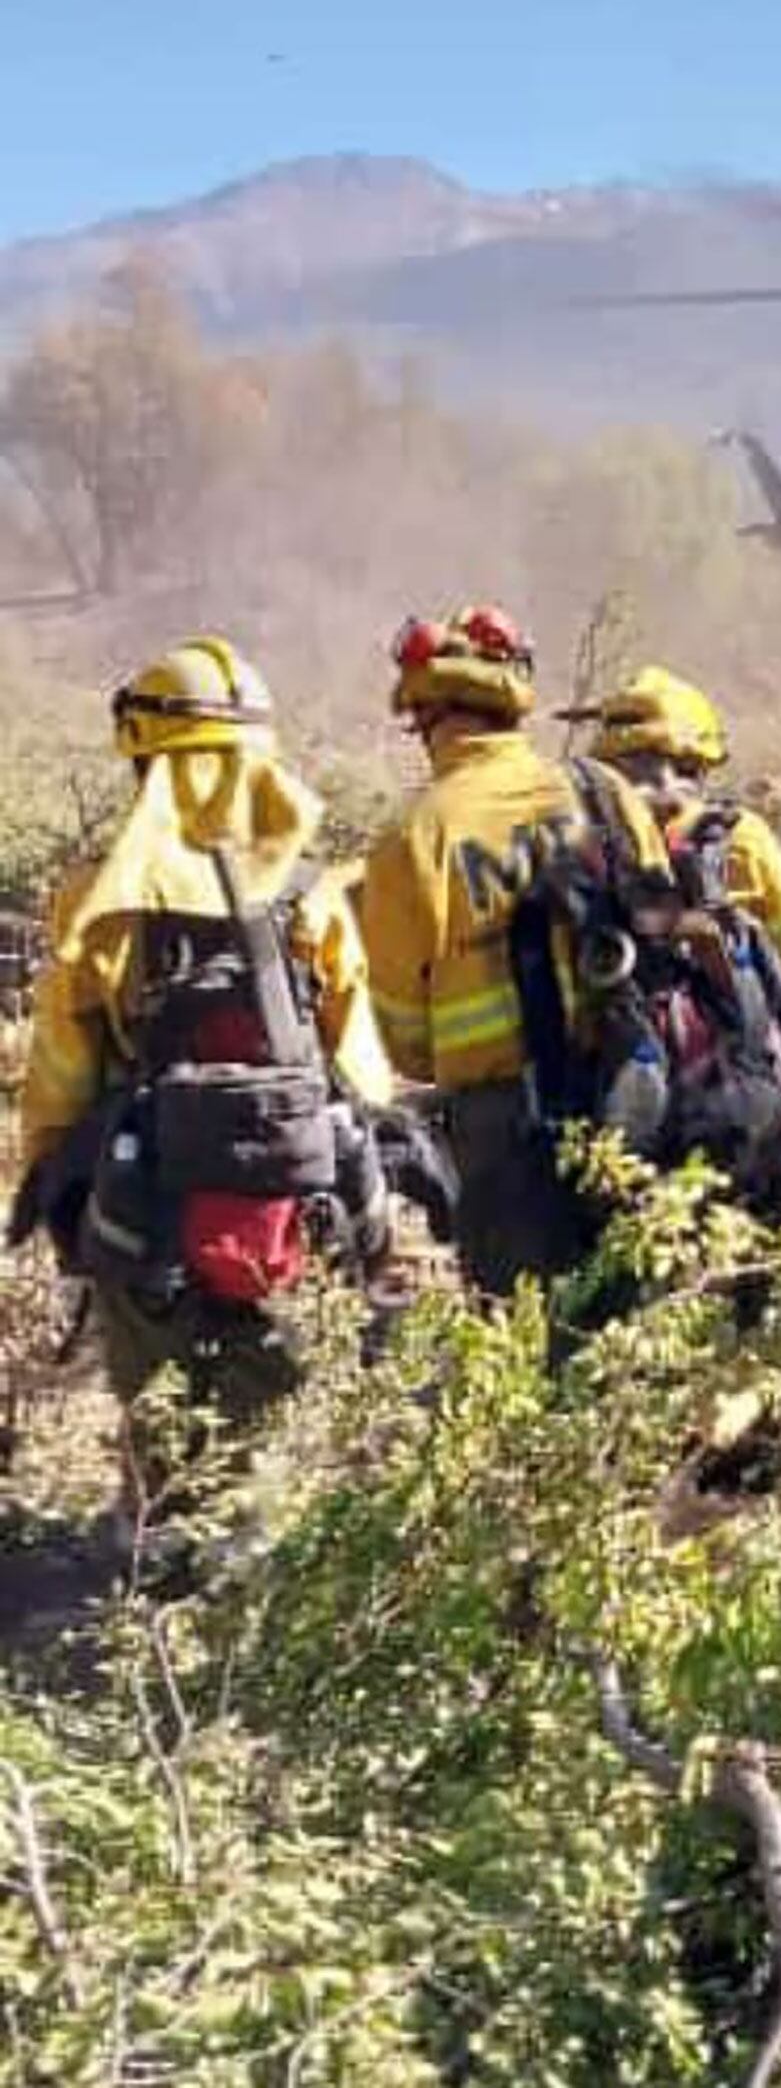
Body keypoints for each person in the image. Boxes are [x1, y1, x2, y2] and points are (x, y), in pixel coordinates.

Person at [8, 637, 401, 1533]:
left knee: (161, 1427)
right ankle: (258, 1574)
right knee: (267, 1434)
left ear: (147, 760)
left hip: (145, 1214)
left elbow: (62, 1070)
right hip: (292, 1210)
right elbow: (359, 1070)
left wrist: (53, 1193)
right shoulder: (311, 895)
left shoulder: (101, 898)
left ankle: (159, 1570)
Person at [358, 604, 671, 1296]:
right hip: (634, 1095)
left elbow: (403, 1036)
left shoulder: (412, 839)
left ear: (427, 715)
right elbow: (663, 935)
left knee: (525, 1327)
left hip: (503, 1134)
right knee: (645, 1310)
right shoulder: (602, 791)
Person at [571, 666, 781, 1168]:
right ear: (697, 762)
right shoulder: (739, 836)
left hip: (624, 1095)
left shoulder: (588, 849)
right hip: (745, 1094)